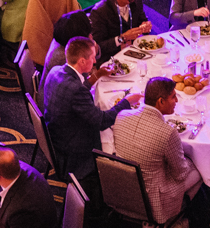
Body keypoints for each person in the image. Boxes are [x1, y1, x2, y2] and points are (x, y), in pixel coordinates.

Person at [41, 35, 140, 181]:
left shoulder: (56, 71)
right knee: (120, 135)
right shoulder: (76, 91)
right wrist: (127, 101)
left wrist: (97, 75)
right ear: (82, 61)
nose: (95, 61)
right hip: (72, 147)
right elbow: (102, 121)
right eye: (92, 57)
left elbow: (75, 91)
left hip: (56, 133)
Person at [112, 77, 202, 228]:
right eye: (173, 97)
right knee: (199, 170)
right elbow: (180, 174)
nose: (176, 101)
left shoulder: (122, 116)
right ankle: (171, 221)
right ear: (161, 101)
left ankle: (148, 222)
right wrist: (189, 161)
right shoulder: (167, 133)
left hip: (124, 190)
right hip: (153, 198)